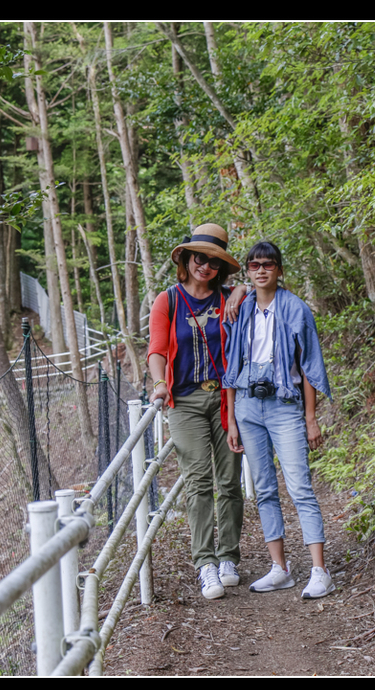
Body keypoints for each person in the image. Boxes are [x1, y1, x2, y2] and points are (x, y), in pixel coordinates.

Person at [223, 240, 336, 600]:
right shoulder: (242, 310)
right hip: (247, 407)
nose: (260, 270)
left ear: (279, 270)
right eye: (254, 265)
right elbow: (231, 366)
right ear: (248, 271)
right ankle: (280, 569)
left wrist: (311, 417)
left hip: (284, 406)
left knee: (299, 485)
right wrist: (233, 420)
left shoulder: (296, 310)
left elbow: (309, 365)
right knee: (264, 488)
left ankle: (320, 571)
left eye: (267, 264)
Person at [147, 223, 246, 600]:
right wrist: (159, 384)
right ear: (186, 260)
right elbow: (157, 348)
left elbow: (265, 295)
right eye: (199, 258)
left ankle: (228, 557)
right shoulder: (168, 300)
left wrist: (241, 289)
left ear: (221, 268)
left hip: (227, 398)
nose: (205, 266)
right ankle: (205, 561)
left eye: (213, 261)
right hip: (185, 401)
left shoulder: (229, 299)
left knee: (229, 479)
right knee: (198, 480)